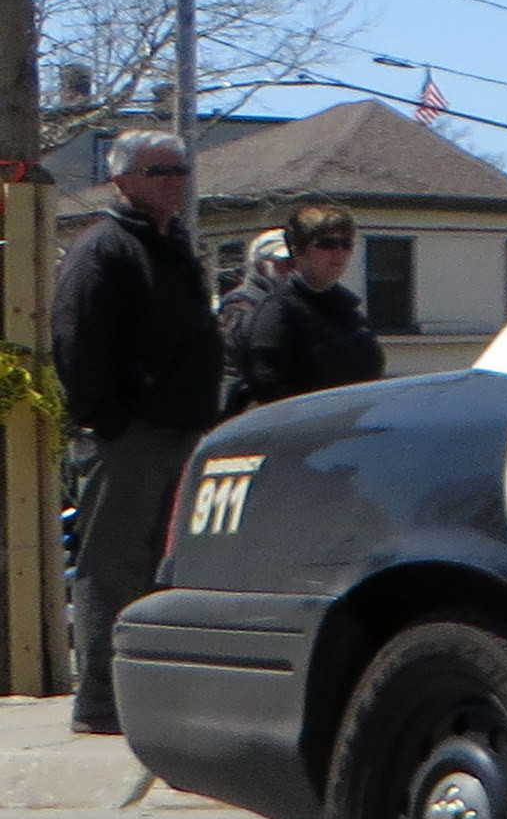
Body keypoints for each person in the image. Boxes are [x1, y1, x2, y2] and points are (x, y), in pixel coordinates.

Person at [52, 129, 222, 735]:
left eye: (181, 170)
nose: (175, 181)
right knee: (114, 568)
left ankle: (151, 700)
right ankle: (99, 703)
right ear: (122, 181)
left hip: (182, 433)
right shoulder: (103, 249)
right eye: (160, 171)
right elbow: (77, 343)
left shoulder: (174, 246)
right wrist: (111, 421)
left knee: (165, 570)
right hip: (127, 440)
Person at [227, 202, 384, 413]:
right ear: (298, 250)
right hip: (303, 434)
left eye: (346, 244)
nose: (339, 253)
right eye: (326, 244)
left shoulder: (351, 313)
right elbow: (268, 387)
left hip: (352, 429)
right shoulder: (276, 311)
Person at [214, 227, 289, 411]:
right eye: (282, 263)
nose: (289, 270)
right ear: (260, 265)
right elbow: (235, 358)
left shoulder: (289, 304)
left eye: (294, 263)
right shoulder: (238, 306)